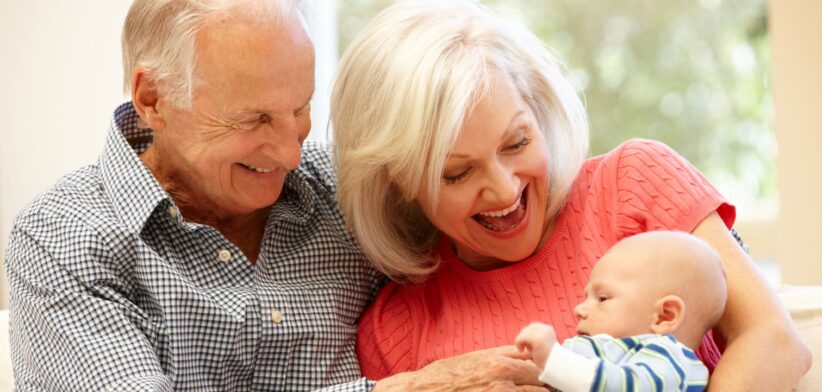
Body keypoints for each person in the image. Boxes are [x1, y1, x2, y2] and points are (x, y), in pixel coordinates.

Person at [5, 1, 551, 390]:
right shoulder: (63, 239)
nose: (291, 154)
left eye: (301, 110)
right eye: (256, 119)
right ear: (154, 98)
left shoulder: (338, 188)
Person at [331, 0, 811, 390]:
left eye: (517, 142)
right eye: (457, 173)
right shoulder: (396, 333)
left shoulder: (633, 184)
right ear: (400, 183)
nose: (504, 189)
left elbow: (775, 341)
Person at [515, 231, 727, 391]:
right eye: (585, 296)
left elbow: (625, 386)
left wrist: (554, 360)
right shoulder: (609, 351)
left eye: (602, 298)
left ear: (664, 317)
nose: (578, 309)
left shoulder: (673, 362)